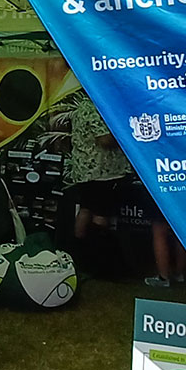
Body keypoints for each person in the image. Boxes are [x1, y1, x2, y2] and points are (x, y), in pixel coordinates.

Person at [64, 94, 131, 258]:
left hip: (88, 171)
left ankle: (79, 256)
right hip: (101, 173)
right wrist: (127, 132)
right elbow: (104, 140)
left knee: (86, 209)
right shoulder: (94, 108)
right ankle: (98, 258)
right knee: (101, 214)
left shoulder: (84, 107)